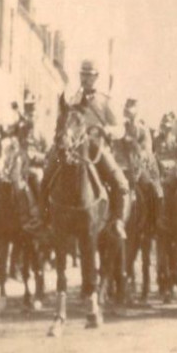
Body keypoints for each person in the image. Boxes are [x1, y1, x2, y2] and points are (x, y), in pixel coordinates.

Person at [43, 59, 128, 239]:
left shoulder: (105, 102)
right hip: (73, 148)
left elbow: (121, 129)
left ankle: (118, 221)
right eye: (83, 74)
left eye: (89, 75)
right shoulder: (73, 99)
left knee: (120, 182)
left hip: (96, 149)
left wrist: (107, 130)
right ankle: (44, 219)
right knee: (47, 174)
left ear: (96, 77)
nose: (85, 78)